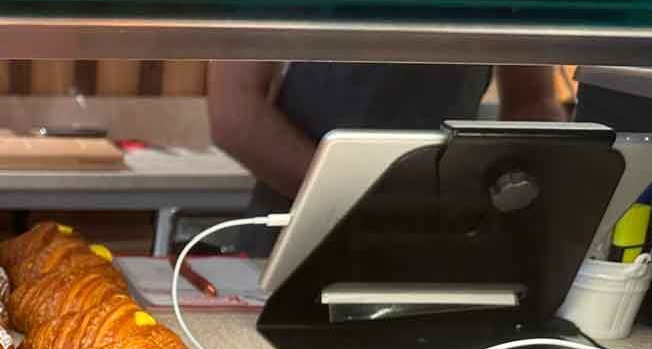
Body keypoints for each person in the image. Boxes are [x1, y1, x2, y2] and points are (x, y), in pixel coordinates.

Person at [207, 62, 566, 253]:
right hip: (297, 239)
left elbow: (532, 103)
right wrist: (382, 206)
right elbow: (235, 115)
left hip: (443, 242)